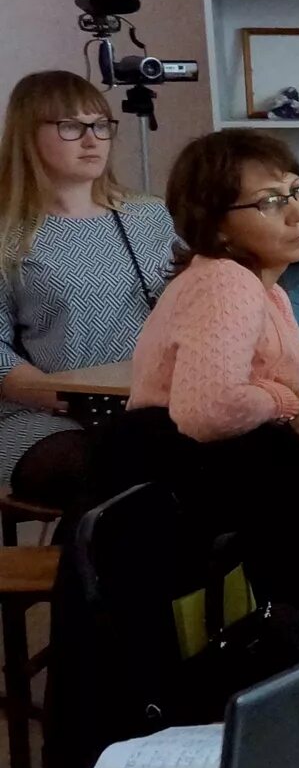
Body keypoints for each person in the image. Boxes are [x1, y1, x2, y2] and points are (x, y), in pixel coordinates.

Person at [113, 129, 299, 630]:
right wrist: (289, 401)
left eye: (297, 190)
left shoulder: (268, 291)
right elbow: (208, 411)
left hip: (224, 478)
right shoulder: (226, 279)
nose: (298, 212)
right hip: (189, 490)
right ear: (218, 227)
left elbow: (287, 413)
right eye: (270, 202)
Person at [0, 70, 171, 507]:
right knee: (112, 473)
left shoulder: (152, 217)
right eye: (71, 127)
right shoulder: (6, 233)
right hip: (41, 415)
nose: (92, 140)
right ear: (27, 134)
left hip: (147, 406)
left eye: (100, 125)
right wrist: (63, 398)